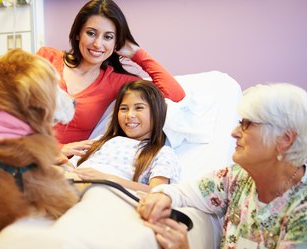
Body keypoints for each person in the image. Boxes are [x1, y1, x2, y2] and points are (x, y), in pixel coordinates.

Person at [137, 83, 307, 249]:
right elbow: (182, 192)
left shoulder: (302, 212)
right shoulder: (236, 177)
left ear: (285, 138)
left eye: (247, 124)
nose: (234, 132)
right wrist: (161, 197)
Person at [37, 0, 185, 158]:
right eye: (91, 33)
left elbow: (174, 94)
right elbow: (12, 108)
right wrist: (57, 149)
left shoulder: (117, 82)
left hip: (62, 166)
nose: (97, 44)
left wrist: (138, 54)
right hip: (23, 152)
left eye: (108, 37)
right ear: (78, 33)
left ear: (117, 43)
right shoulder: (47, 58)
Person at [69, 80, 180, 193]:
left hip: (107, 191)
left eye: (139, 108)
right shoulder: (102, 140)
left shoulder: (162, 153)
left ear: (157, 112)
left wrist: (107, 178)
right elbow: (70, 165)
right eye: (124, 109)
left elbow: (157, 191)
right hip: (72, 183)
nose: (129, 115)